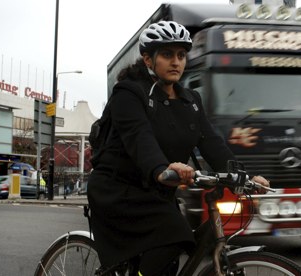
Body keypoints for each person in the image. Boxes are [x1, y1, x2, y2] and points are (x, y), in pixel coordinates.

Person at [87, 21, 269, 276]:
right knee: (176, 237)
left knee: (169, 261)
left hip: (157, 192)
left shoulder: (189, 100)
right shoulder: (129, 93)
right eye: (167, 54)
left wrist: (244, 176)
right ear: (148, 59)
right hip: (119, 192)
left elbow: (211, 142)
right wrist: (161, 168)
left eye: (181, 55)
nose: (176, 62)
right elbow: (140, 137)